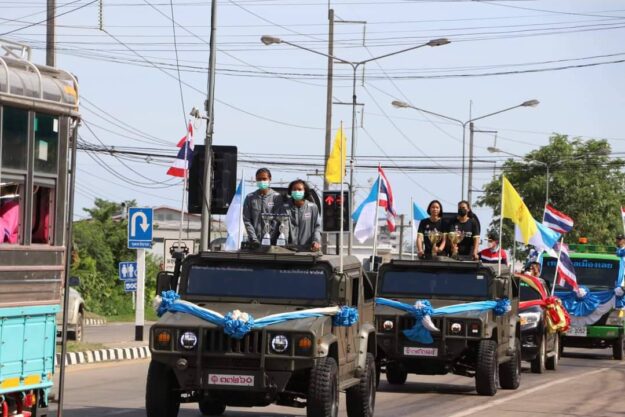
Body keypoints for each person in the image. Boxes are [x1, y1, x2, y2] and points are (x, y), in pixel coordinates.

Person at [242, 168, 283, 247]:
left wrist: (268, 238)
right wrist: (254, 239)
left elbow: (277, 220)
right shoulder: (250, 197)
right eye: (259, 179)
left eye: (264, 179)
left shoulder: (276, 197)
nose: (262, 181)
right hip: (254, 244)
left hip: (272, 243)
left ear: (270, 179)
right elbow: (247, 220)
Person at [281, 179, 321, 251]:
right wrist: (284, 243)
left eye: (299, 189)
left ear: (305, 191)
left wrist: (316, 241)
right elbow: (283, 227)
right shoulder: (285, 208)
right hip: (288, 250)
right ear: (291, 191)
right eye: (294, 190)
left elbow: (317, 227)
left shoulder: (313, 208)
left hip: (308, 250)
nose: (297, 192)